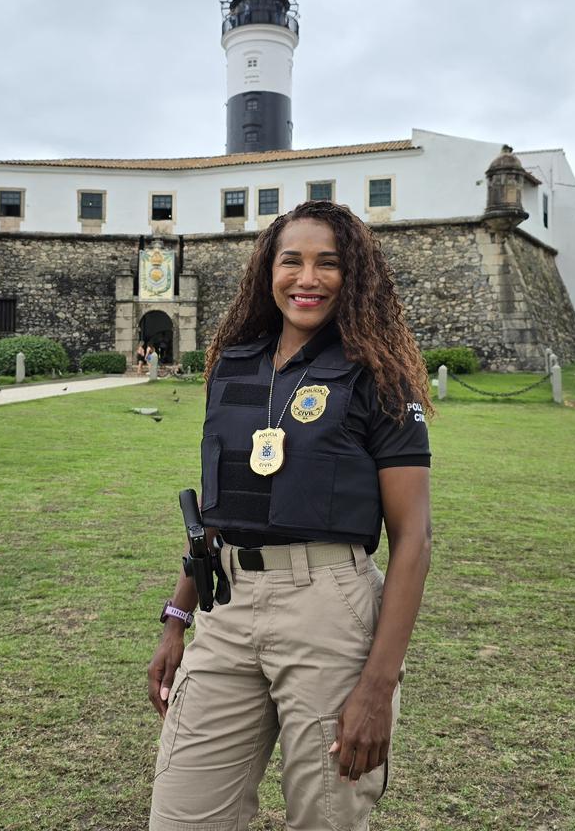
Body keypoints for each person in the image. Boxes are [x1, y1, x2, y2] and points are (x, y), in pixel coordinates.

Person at [147, 200, 433, 830]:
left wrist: (378, 686)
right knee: (182, 816)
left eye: (328, 263)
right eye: (291, 261)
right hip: (227, 606)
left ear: (353, 276)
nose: (308, 279)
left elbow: (413, 539)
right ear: (267, 271)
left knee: (325, 817)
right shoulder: (232, 365)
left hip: (328, 607)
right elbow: (216, 511)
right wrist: (177, 617)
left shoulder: (379, 378)